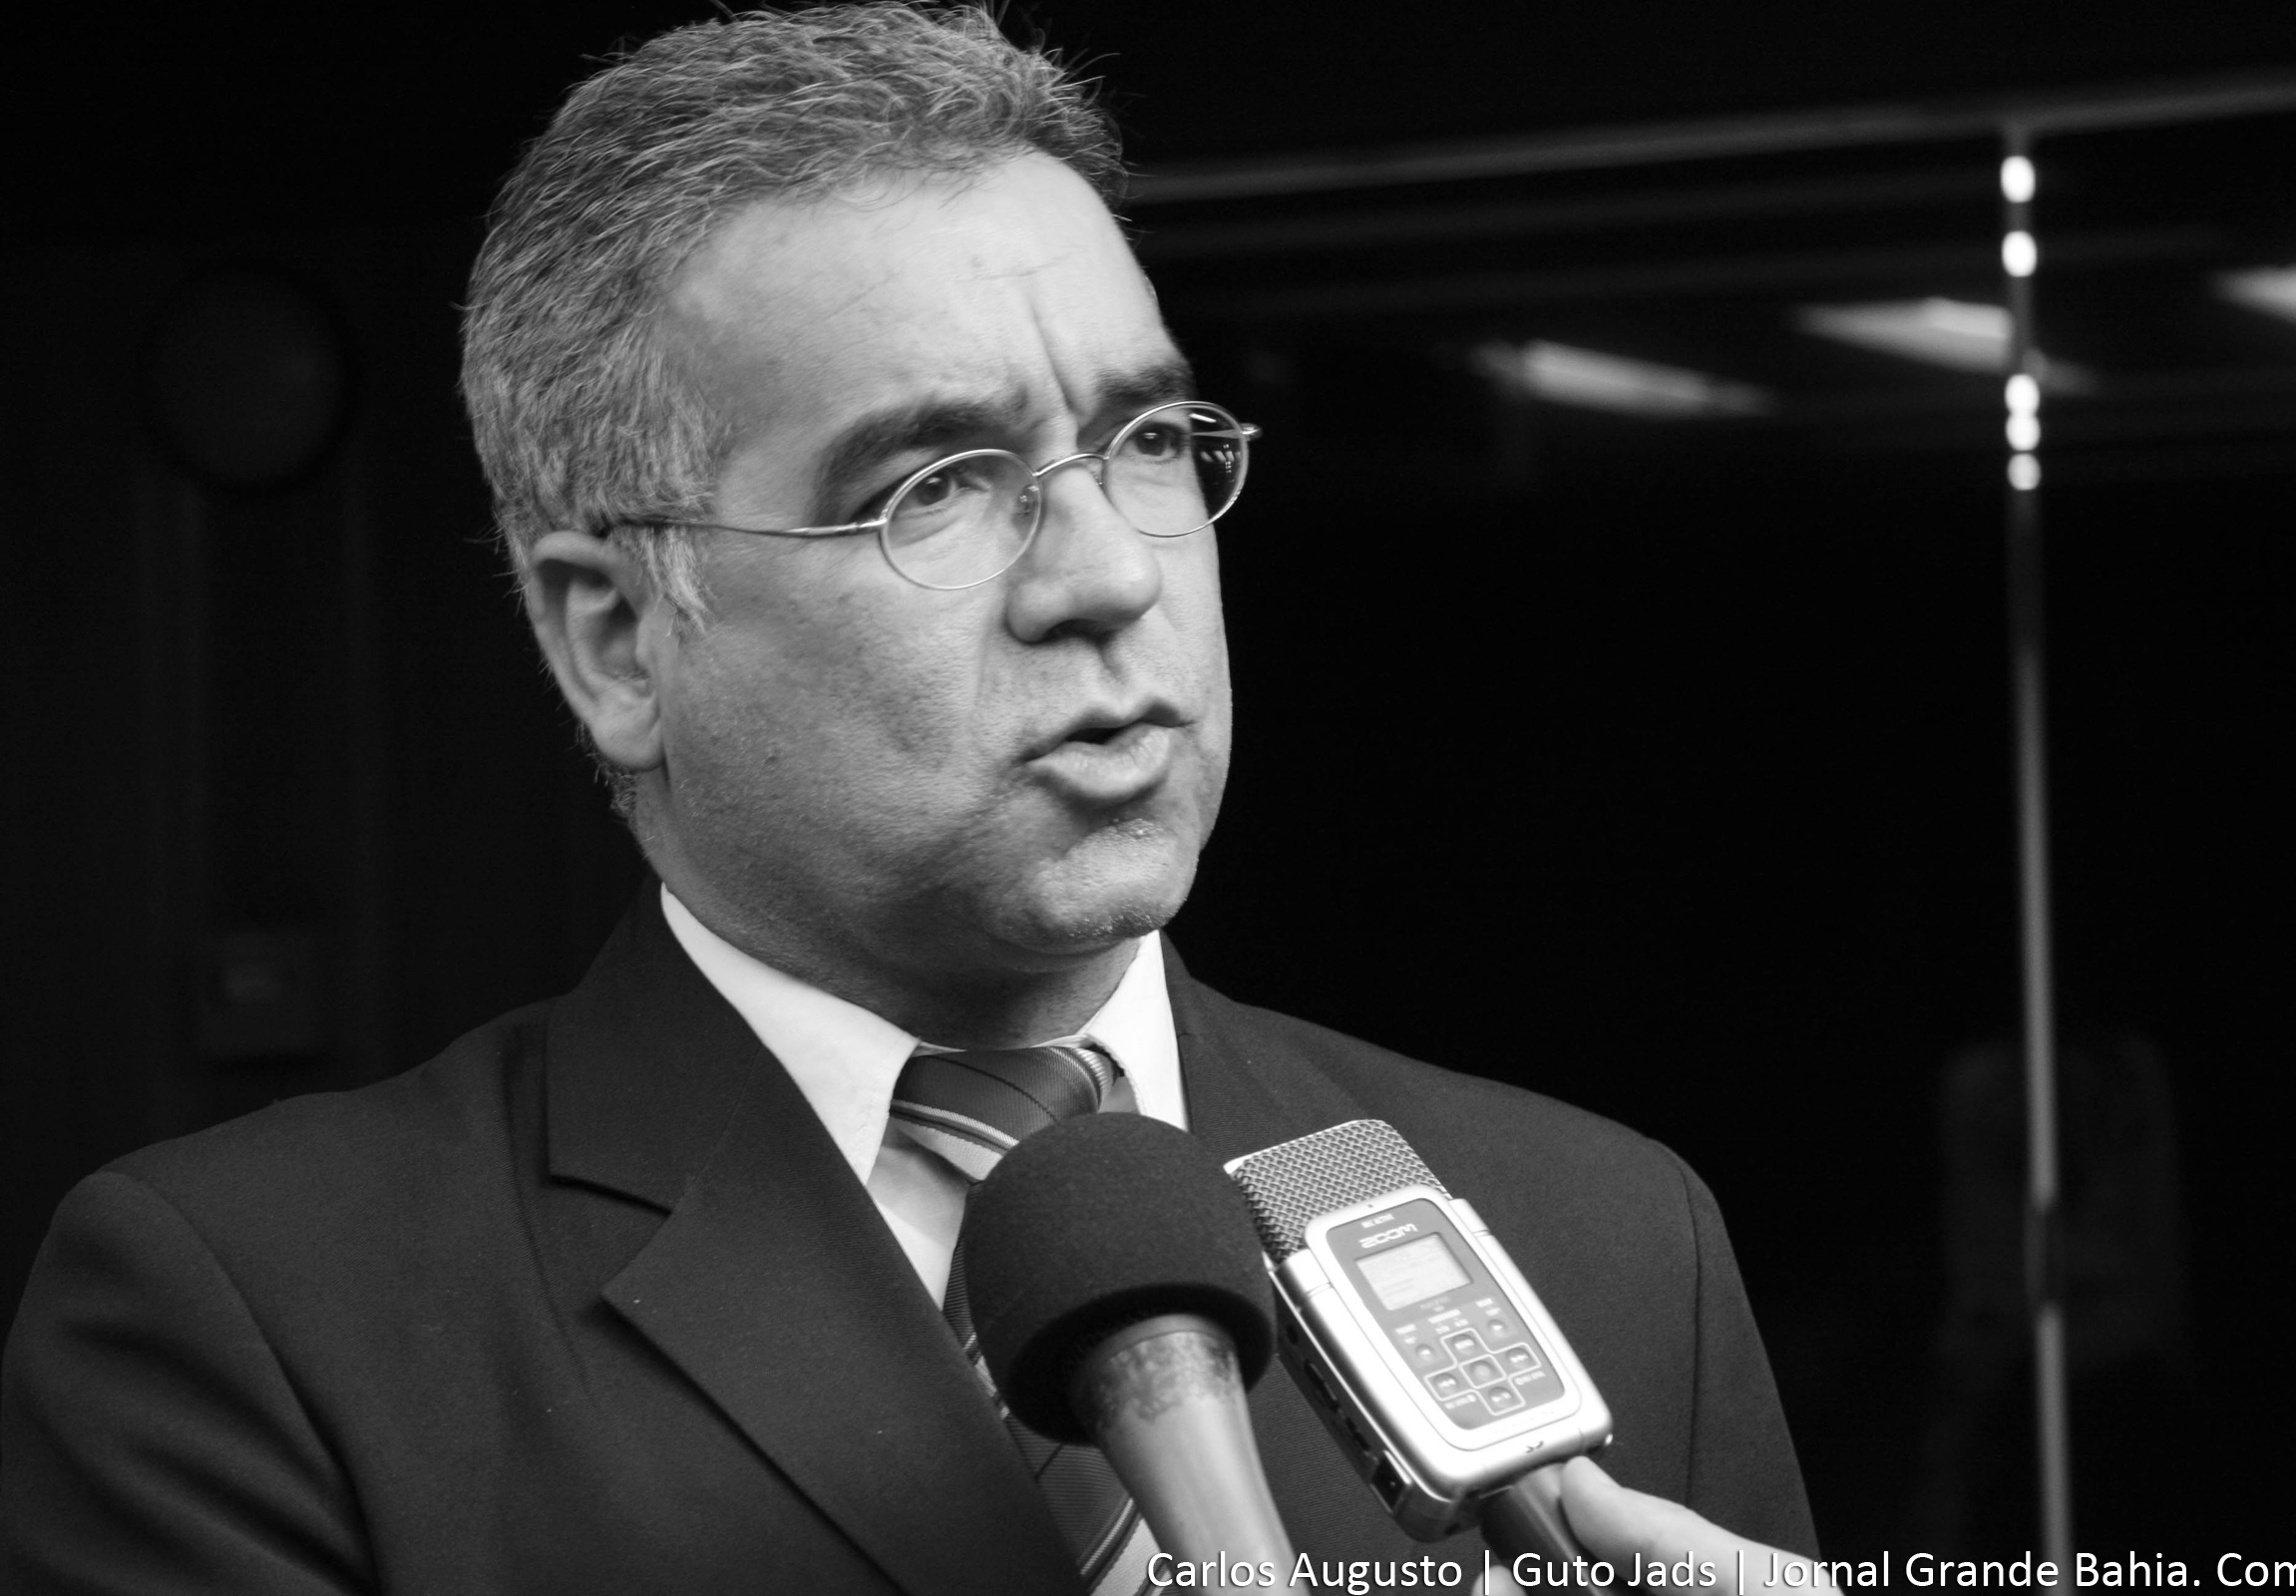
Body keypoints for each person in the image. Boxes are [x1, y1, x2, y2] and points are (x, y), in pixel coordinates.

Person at [2, 8, 1818, 1593]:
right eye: (937, 485)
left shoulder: (1601, 1236)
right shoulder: (261, 1328)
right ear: (617, 639)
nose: (1108, 573)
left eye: (1152, 442)